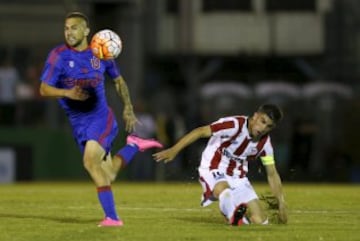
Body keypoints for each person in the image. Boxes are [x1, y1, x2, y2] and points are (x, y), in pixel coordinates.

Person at [39, 12, 163, 227]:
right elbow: (43, 89)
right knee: (108, 173)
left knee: (89, 162)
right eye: (66, 28)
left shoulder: (101, 53)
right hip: (78, 124)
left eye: (74, 28)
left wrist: (128, 108)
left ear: (86, 31)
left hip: (101, 119)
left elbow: (119, 81)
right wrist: (66, 93)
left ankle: (112, 218)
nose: (69, 32)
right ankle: (133, 146)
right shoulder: (58, 55)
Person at [153, 104, 288, 225]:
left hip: (238, 177)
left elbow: (272, 173)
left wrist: (281, 204)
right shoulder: (234, 125)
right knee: (223, 190)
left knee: (260, 221)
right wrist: (174, 150)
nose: (263, 128)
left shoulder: (265, 145)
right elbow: (200, 132)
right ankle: (233, 217)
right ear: (255, 116)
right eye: (262, 121)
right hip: (213, 167)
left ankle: (238, 218)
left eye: (268, 126)